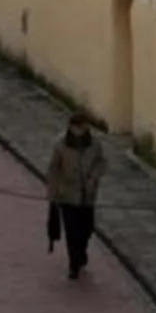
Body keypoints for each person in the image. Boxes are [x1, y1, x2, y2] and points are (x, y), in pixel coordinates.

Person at [45, 113, 105, 279]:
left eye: (86, 127)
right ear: (72, 127)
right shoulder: (60, 144)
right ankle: (74, 263)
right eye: (80, 127)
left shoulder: (95, 143)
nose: (84, 130)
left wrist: (93, 179)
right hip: (67, 195)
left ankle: (82, 252)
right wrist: (53, 192)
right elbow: (53, 169)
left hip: (87, 196)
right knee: (72, 231)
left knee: (87, 228)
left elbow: (101, 162)